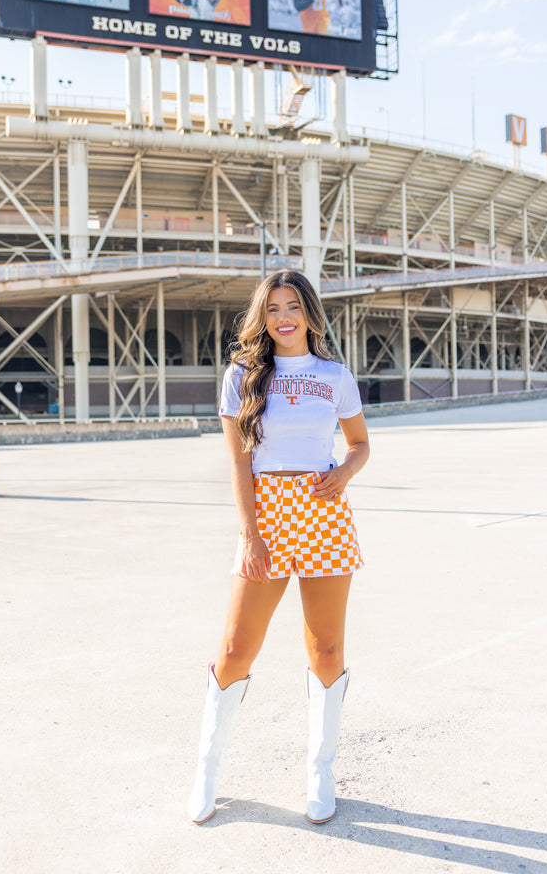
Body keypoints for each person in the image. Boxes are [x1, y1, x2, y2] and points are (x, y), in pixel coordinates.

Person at [187, 269, 370, 825]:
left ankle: (320, 769)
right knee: (237, 647)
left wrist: (344, 472)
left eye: (293, 306)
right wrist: (250, 533)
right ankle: (206, 769)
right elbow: (240, 462)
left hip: (323, 516)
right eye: (273, 309)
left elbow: (360, 444)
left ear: (310, 313)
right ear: (262, 318)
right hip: (266, 514)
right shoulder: (242, 375)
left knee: (328, 649)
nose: (284, 317)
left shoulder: (335, 376)